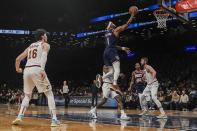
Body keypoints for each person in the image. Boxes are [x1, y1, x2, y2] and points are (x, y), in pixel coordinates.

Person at [12, 29, 60, 127]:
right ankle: (54, 120)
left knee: (27, 96)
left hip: (26, 70)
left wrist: (18, 69)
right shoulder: (45, 45)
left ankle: (19, 116)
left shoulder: (30, 46)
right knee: (49, 93)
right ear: (42, 36)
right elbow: (44, 55)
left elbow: (18, 59)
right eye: (46, 35)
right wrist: (42, 69)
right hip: (37, 69)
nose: (47, 37)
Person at [102, 9, 137, 95]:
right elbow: (126, 25)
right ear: (111, 26)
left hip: (105, 52)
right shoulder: (115, 30)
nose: (114, 24)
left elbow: (112, 45)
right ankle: (114, 84)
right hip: (112, 52)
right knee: (117, 69)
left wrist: (123, 48)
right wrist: (132, 15)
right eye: (113, 24)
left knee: (112, 71)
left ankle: (102, 78)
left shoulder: (106, 33)